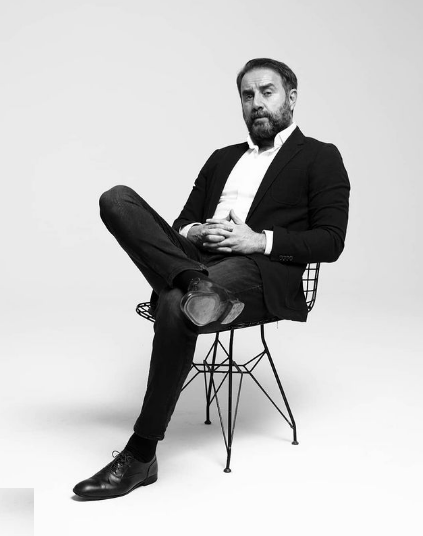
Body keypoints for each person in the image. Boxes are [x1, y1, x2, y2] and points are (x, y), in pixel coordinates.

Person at [73, 58, 350, 499]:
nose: (256, 103)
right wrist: (196, 232)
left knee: (173, 303)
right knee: (116, 199)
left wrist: (258, 240)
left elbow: (331, 240)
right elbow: (180, 223)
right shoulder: (222, 158)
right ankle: (196, 285)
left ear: (291, 98)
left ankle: (141, 455)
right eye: (247, 95)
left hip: (258, 270)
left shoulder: (320, 156)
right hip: (196, 260)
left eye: (267, 92)